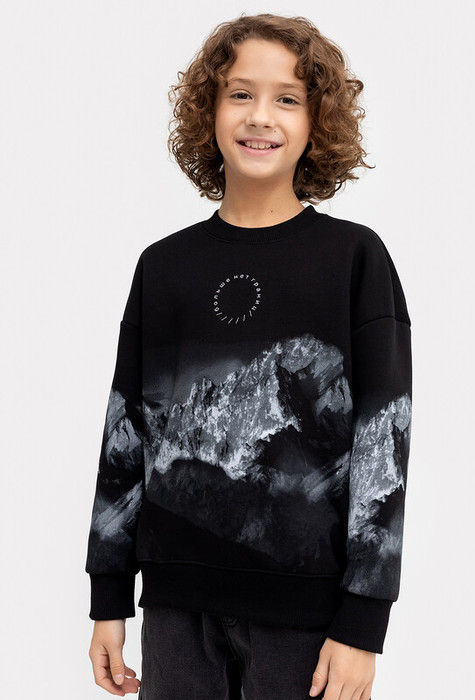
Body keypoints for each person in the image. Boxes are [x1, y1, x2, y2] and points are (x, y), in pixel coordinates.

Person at [85, 12, 412, 700]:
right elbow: (124, 434)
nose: (260, 115)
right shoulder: (163, 266)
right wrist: (108, 595)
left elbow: (383, 443)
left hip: (307, 617)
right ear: (208, 109)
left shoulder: (354, 259)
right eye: (240, 93)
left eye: (287, 98)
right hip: (175, 611)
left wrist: (363, 621)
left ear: (317, 122)